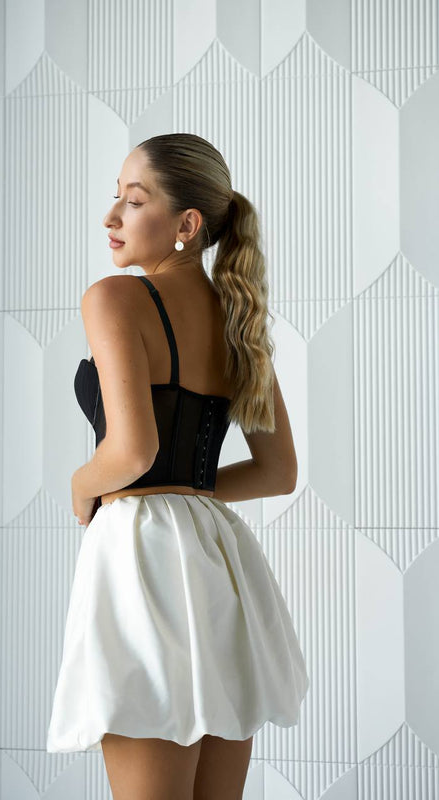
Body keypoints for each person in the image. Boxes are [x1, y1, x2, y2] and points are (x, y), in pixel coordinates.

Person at [46, 133, 309, 799]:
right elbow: (276, 473)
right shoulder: (237, 319)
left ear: (187, 225)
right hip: (219, 562)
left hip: (143, 562)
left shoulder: (113, 298)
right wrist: (187, 492)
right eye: (116, 197)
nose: (110, 216)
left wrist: (81, 486)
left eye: (133, 202)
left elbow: (131, 451)